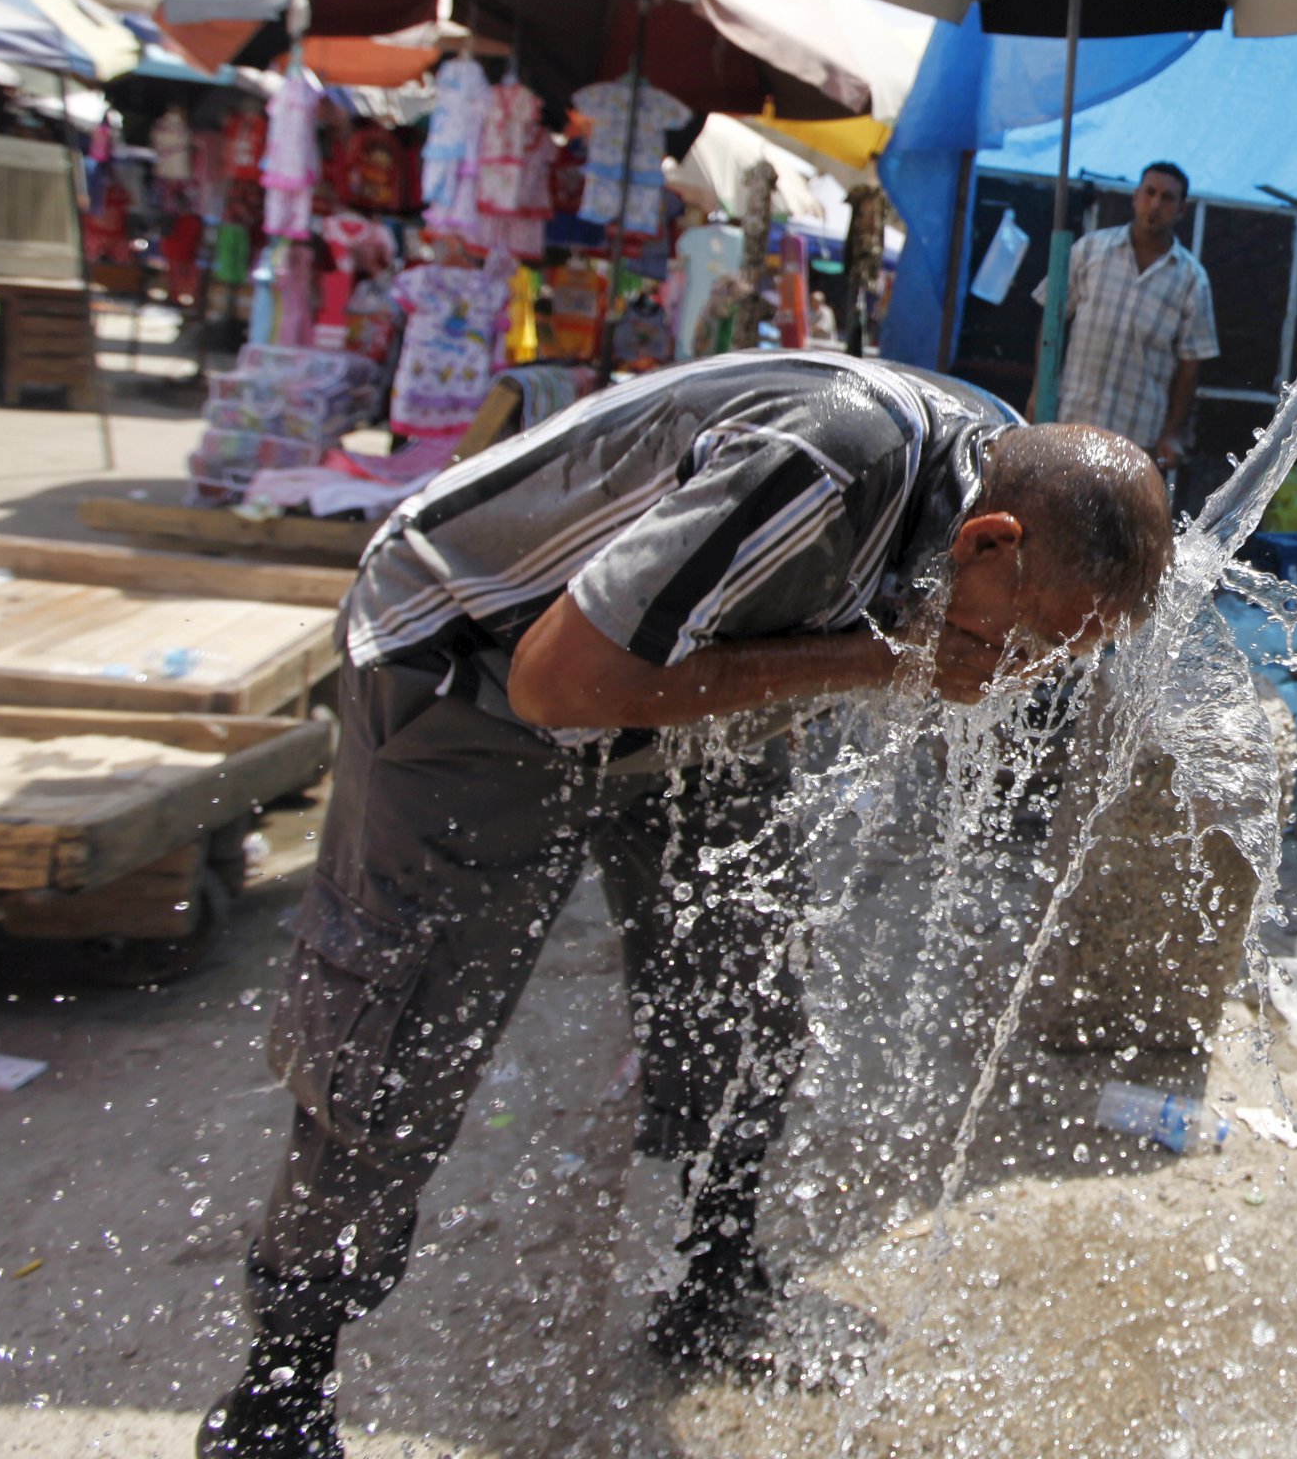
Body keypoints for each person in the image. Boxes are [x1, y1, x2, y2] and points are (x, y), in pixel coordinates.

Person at [200, 353, 1174, 1457]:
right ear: (989, 542)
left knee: (747, 977)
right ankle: (279, 1386)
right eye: (1034, 639)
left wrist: (863, 659)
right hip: (472, 664)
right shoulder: (828, 460)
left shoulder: (998, 466)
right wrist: (876, 658)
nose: (1021, 673)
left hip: (685, 660)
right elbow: (556, 682)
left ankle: (717, 1283)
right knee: (407, 1026)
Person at [1041, 160, 1217, 470]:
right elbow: (1051, 323)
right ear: (1135, 197)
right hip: (1071, 421)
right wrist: (1038, 395)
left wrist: (1171, 433)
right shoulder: (1090, 251)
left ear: (1181, 210)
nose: (1155, 204)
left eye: (1167, 198)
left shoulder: (1191, 279)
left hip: (1136, 440)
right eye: (1149, 193)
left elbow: (1191, 365)